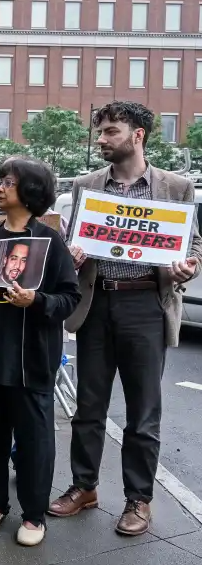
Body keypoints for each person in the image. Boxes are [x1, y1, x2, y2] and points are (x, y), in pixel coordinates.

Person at [49, 101, 202, 536]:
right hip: (95, 304)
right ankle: (84, 486)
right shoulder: (85, 186)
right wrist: (69, 255)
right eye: (100, 132)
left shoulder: (175, 187)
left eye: (110, 132)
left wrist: (188, 265)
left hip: (145, 305)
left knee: (143, 412)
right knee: (89, 406)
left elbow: (193, 245)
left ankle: (139, 499)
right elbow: (69, 241)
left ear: (138, 136)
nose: (101, 140)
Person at [0, 158, 79, 547]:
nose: (1, 186)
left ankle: (33, 514)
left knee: (34, 439)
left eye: (9, 181)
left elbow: (70, 297)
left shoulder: (50, 240)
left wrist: (36, 300)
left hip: (32, 358)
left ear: (31, 191)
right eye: (1, 180)